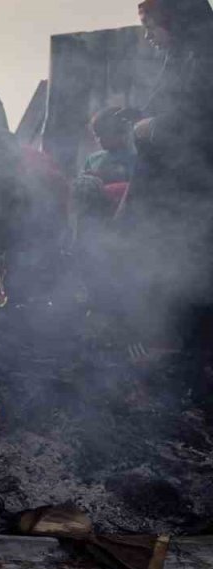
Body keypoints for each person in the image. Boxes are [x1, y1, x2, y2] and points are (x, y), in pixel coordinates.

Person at [118, 0, 213, 380]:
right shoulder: (179, 62)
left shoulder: (205, 60)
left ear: (177, 20)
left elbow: (200, 123)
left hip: (196, 196)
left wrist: (153, 126)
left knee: (192, 269)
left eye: (150, 25)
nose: (147, 36)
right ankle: (179, 350)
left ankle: (188, 357)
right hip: (173, 193)